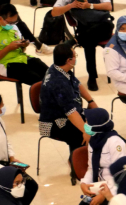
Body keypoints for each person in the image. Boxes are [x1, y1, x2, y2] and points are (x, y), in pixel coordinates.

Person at [51, 0, 115, 91]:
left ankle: (76, 40)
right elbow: (54, 12)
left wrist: (89, 5)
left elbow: (108, 6)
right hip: (85, 27)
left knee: (108, 26)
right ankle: (92, 77)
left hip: (102, 26)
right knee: (88, 42)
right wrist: (71, 5)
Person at [39, 44, 95, 182]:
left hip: (70, 113)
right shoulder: (57, 82)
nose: (76, 58)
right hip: (55, 122)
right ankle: (77, 164)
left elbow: (77, 84)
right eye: (75, 55)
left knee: (100, 119)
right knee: (83, 134)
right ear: (69, 60)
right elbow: (70, 112)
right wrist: (86, 130)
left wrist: (91, 101)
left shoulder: (60, 68)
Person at [0, 4, 50, 84]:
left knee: (50, 74)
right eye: (10, 22)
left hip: (22, 58)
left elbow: (22, 50)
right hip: (7, 64)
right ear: (0, 18)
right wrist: (8, 48)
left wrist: (23, 46)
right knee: (37, 80)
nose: (12, 25)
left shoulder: (14, 27)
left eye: (15, 21)